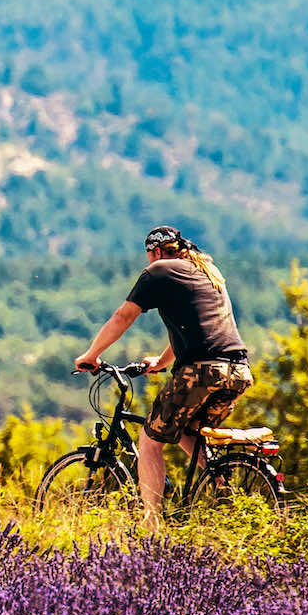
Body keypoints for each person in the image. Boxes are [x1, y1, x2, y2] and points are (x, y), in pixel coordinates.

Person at [75, 225, 251, 529]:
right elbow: (199, 328)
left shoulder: (158, 272)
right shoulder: (206, 271)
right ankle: (221, 485)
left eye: (147, 256)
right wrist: (160, 362)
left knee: (149, 437)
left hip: (203, 371)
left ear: (156, 252)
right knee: (186, 430)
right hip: (237, 372)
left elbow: (122, 317)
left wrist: (90, 356)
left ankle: (152, 525)